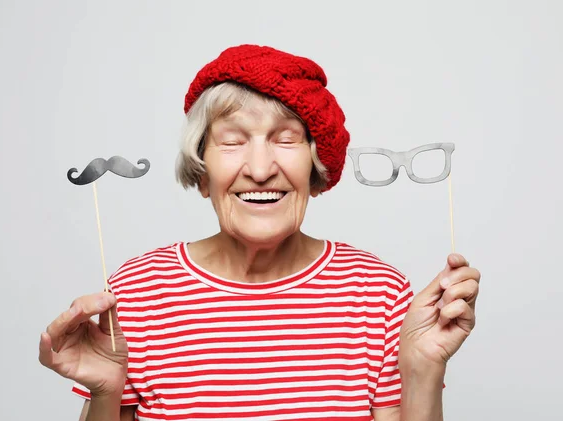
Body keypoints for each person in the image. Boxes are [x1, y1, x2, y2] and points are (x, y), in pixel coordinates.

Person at [39, 45, 481, 421]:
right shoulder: (137, 292)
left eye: (285, 140)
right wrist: (104, 393)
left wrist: (423, 370)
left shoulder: (378, 292)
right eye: (232, 141)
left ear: (316, 168)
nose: (261, 169)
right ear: (201, 171)